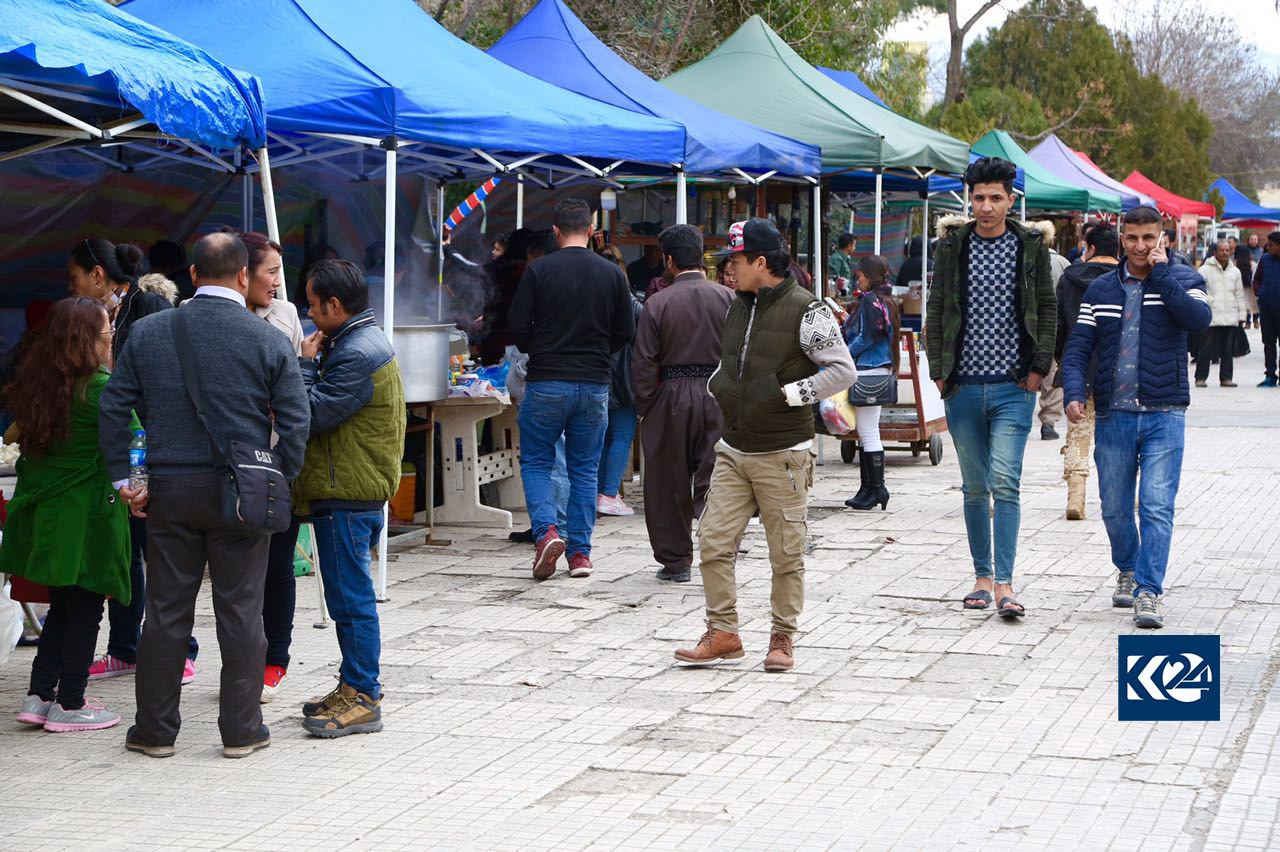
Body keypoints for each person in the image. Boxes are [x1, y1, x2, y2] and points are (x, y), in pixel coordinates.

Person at [99, 232, 309, 758]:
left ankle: (155, 733)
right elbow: (297, 417)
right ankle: (241, 733)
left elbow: (113, 405)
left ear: (193, 275)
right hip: (242, 492)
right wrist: (278, 474)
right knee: (242, 611)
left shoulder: (147, 332)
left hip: (169, 491)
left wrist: (126, 479)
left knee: (167, 611)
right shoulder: (267, 339)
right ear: (244, 277)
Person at [674, 218, 856, 673]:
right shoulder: (739, 304)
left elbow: (842, 371)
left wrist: (787, 394)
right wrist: (720, 384)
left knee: (786, 552)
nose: (728, 270)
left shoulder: (807, 309)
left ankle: (782, 638)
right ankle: (723, 633)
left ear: (760, 261)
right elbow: (730, 361)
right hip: (734, 447)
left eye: (735, 260)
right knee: (713, 540)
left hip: (784, 451)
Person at [1061, 206, 1211, 628]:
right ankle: (1127, 567)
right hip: (1114, 415)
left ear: (1163, 239)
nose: (1141, 247)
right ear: (1122, 239)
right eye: (1133, 239)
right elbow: (1077, 349)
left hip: (1165, 415)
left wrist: (1162, 276)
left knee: (1157, 507)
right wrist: (1074, 391)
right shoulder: (1101, 290)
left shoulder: (1185, 280)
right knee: (1114, 508)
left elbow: (1199, 321)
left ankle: (1148, 590)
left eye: (1149, 238)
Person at [925, 157, 1055, 619]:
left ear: (1011, 200)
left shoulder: (1030, 246)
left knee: (1006, 482)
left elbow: (1047, 307)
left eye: (995, 197)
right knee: (975, 486)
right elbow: (936, 308)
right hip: (962, 386)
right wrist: (939, 371)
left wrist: (1039, 368)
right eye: (978, 197)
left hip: (1014, 388)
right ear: (969, 199)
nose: (986, 206)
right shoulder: (952, 247)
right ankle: (981, 577)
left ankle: (1006, 583)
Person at [68, 241, 200, 686]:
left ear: (98, 275)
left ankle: (182, 650)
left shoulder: (150, 310)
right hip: (122, 448)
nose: (72, 288)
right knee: (126, 556)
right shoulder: (98, 316)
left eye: (75, 278)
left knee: (161, 554)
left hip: (155, 447)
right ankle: (124, 648)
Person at [5, 298, 131, 733]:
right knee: (86, 609)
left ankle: (39, 696)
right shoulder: (99, 388)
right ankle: (72, 703)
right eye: (105, 331)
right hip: (89, 517)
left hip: (50, 517)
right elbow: (134, 438)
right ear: (85, 341)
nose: (111, 336)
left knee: (63, 606)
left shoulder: (39, 384)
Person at [293, 259, 405, 738]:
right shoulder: (360, 340)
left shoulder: (355, 352)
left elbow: (311, 414)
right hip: (355, 488)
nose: (310, 314)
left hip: (347, 492)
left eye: (314, 305)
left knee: (350, 599)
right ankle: (355, 684)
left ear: (335, 305)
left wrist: (301, 364)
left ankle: (363, 695)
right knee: (347, 596)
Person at [510, 199, 633, 580]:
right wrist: (597, 352)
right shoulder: (612, 274)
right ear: (591, 228)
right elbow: (626, 331)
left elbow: (517, 328)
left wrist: (540, 346)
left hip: (547, 379)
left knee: (535, 461)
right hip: (594, 384)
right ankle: (580, 555)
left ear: (556, 231)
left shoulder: (539, 270)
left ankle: (546, 530)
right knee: (584, 468)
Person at [632, 224, 733, 583]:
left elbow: (643, 362)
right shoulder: (728, 299)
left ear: (670, 260)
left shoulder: (657, 303)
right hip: (719, 395)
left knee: (667, 482)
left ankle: (676, 562)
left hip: (671, 394)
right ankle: (718, 554)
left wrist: (648, 404)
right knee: (718, 479)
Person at [237, 231, 306, 703]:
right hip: (223, 462)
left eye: (281, 272)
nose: (279, 283)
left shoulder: (286, 315)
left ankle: (274, 660)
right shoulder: (204, 316)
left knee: (278, 563)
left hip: (276, 459)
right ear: (242, 273)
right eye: (271, 272)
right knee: (236, 567)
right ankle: (240, 657)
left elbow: (298, 384)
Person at [1054, 223, 1120, 520]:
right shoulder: (1126, 279)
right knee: (1120, 436)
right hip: (1118, 371)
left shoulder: (1069, 280)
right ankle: (1125, 494)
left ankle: (1076, 497)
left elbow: (1059, 328)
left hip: (1079, 368)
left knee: (1078, 432)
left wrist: (1064, 362)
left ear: (1090, 249)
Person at [842, 255, 899, 511]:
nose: (859, 280)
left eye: (861, 276)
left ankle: (877, 488)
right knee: (867, 432)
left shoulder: (870, 301)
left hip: (868, 370)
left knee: (867, 432)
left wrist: (845, 353)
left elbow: (866, 337)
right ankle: (869, 488)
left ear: (870, 276)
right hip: (882, 368)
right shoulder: (887, 301)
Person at [596, 248, 643, 517]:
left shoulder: (590, 299)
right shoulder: (629, 300)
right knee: (622, 436)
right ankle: (609, 494)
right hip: (624, 378)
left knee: (601, 438)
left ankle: (598, 492)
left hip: (597, 374)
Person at [1032, 221, 1069, 441]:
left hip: (1029, 326)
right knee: (1052, 376)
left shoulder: (1024, 261)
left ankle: (1017, 418)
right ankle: (1048, 421)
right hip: (1054, 327)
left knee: (1026, 372)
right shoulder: (1063, 263)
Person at [1195, 240, 1247, 388]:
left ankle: (1226, 378)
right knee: (1205, 348)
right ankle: (1200, 377)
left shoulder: (1235, 271)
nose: (1225, 253)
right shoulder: (1204, 270)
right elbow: (1200, 291)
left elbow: (1239, 294)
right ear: (1215, 252)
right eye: (1222, 250)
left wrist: (1242, 315)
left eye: (1228, 250)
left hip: (1230, 316)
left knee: (1228, 350)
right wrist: (1209, 302)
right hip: (1211, 316)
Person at [1255, 232, 1280, 387]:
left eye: (1271, 245)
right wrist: (1260, 291)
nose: (1268, 248)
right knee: (1268, 342)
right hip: (1267, 308)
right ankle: (1270, 375)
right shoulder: (1265, 259)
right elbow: (1257, 279)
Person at [1235, 238, 1257, 328]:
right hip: (1249, 287)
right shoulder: (1252, 264)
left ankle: (1245, 321)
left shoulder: (1235, 263)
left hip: (1239, 287)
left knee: (1243, 304)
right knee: (1251, 304)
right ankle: (1253, 321)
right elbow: (1255, 276)